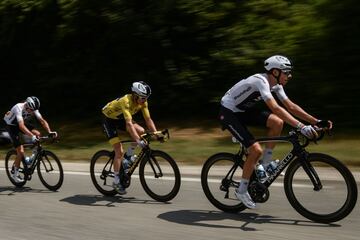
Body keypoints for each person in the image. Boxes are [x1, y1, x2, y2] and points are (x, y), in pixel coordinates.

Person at [219, 55, 332, 208]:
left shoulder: (276, 85)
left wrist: (315, 121)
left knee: (277, 123)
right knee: (255, 150)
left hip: (243, 111)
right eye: (286, 72)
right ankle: (241, 189)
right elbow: (276, 108)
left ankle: (265, 165)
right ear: (275, 72)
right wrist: (301, 127)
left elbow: (290, 106)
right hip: (228, 112)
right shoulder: (261, 81)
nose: (290, 76)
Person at [102, 81, 157, 194]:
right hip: (109, 121)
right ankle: (116, 181)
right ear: (135, 95)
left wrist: (156, 134)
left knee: (142, 131)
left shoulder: (143, 102)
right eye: (143, 98)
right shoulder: (126, 101)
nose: (145, 100)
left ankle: (128, 157)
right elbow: (129, 124)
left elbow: (148, 120)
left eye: (146, 98)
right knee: (119, 150)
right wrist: (138, 140)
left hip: (120, 119)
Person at [3, 96, 58, 183]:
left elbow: (42, 121)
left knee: (38, 134)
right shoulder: (18, 107)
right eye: (31, 110)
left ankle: (32, 157)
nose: (32, 112)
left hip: (20, 122)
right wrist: (31, 136)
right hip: (11, 125)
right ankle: (15, 173)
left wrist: (50, 131)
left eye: (33, 110)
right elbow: (21, 126)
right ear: (27, 105)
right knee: (20, 151)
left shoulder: (33, 108)